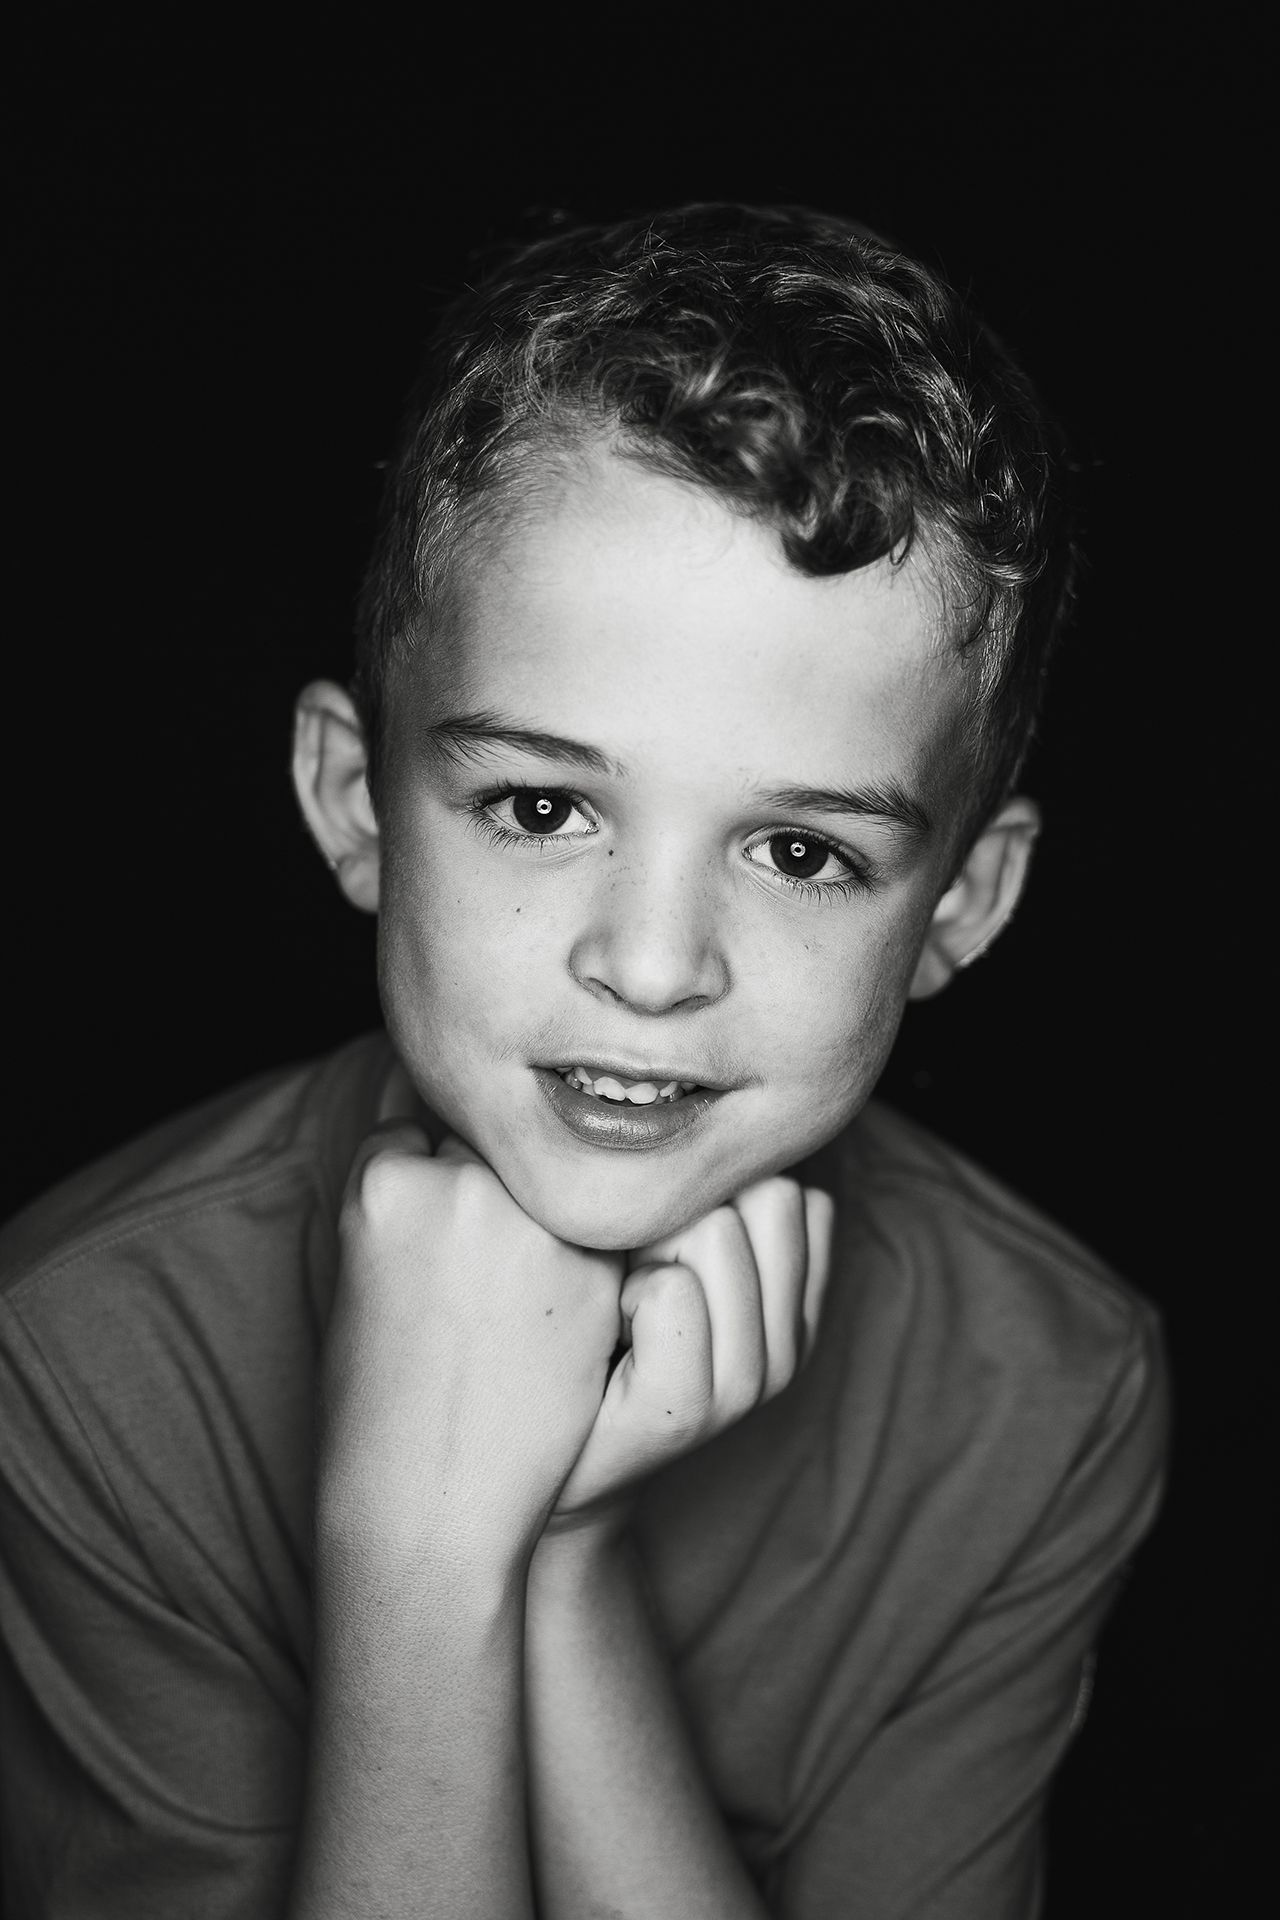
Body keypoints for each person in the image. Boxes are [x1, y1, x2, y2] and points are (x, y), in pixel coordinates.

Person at [0, 203, 1168, 1919]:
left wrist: (559, 1558)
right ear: (357, 805)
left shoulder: (1047, 1392)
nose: (647, 965)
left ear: (955, 907)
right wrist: (414, 1561)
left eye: (800, 853)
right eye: (542, 808)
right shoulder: (82, 1357)